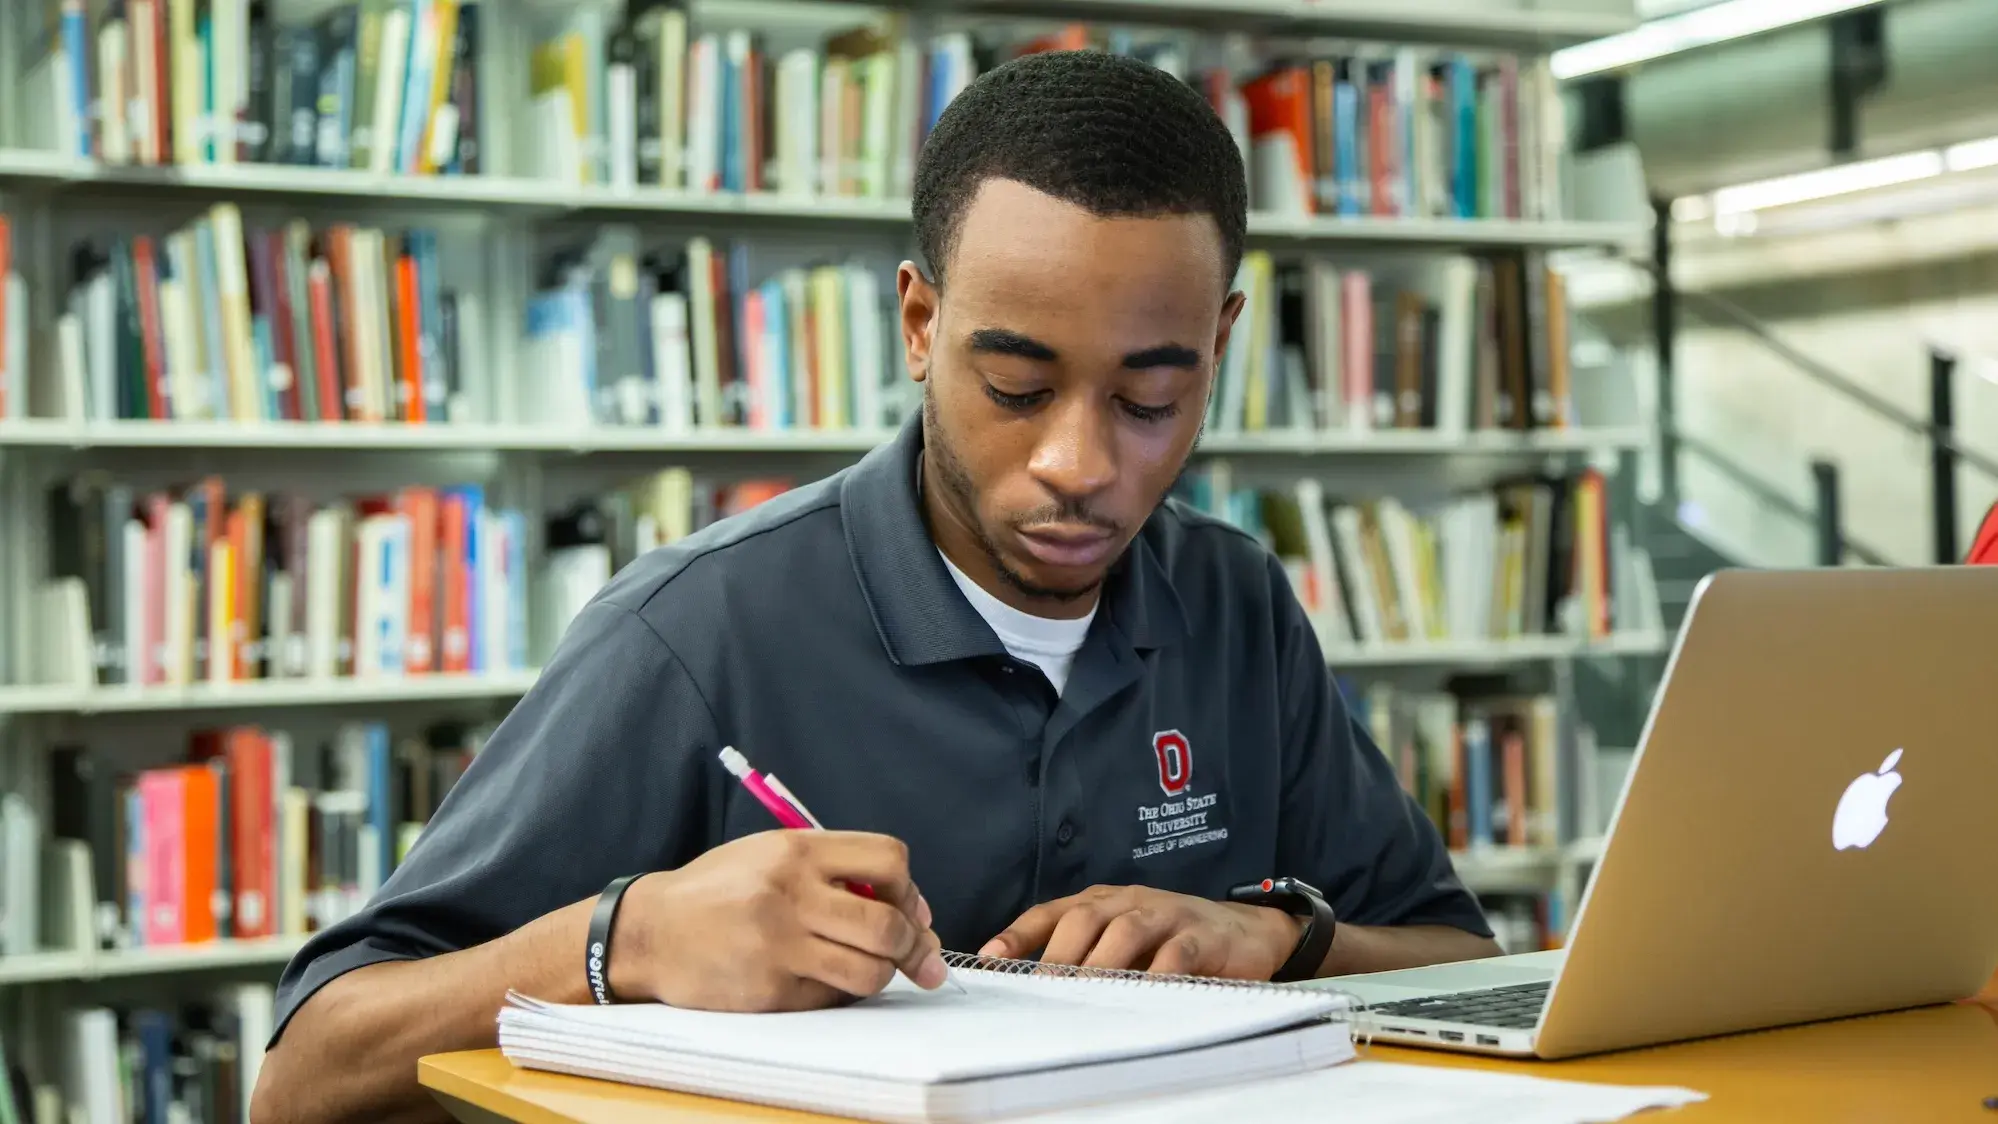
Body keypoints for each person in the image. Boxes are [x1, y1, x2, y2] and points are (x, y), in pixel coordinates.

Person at [251, 49, 1499, 1124]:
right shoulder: (693, 630)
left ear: (1220, 343)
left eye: (1150, 399)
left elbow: (1457, 959)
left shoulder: (1235, 602)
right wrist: (621, 941)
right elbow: (304, 1075)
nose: (1078, 464)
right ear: (917, 323)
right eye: (1015, 386)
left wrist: (1284, 939)